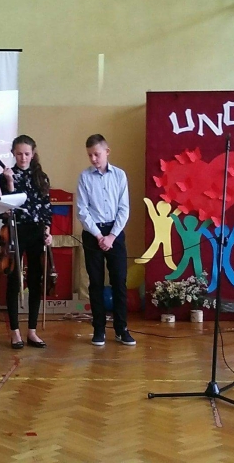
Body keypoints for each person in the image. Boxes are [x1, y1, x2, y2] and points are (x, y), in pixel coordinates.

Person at [77, 134, 134, 346]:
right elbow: (82, 210)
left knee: (119, 281)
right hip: (93, 234)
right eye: (90, 155)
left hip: (114, 233)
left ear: (107, 152)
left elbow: (124, 208)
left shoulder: (119, 175)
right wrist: (99, 235)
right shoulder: (84, 177)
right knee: (96, 283)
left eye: (97, 154)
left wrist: (111, 236)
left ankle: (121, 329)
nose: (93, 159)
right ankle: (99, 329)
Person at [0, 135, 53, 349]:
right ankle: (15, 332)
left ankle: (32, 330)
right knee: (14, 280)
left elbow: (46, 206)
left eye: (27, 154)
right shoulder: (6, 176)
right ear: (13, 153)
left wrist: (47, 230)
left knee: (35, 279)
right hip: (15, 230)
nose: (23, 158)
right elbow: (9, 203)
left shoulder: (42, 177)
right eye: (19, 154)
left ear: (33, 154)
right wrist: (10, 181)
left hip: (36, 231)